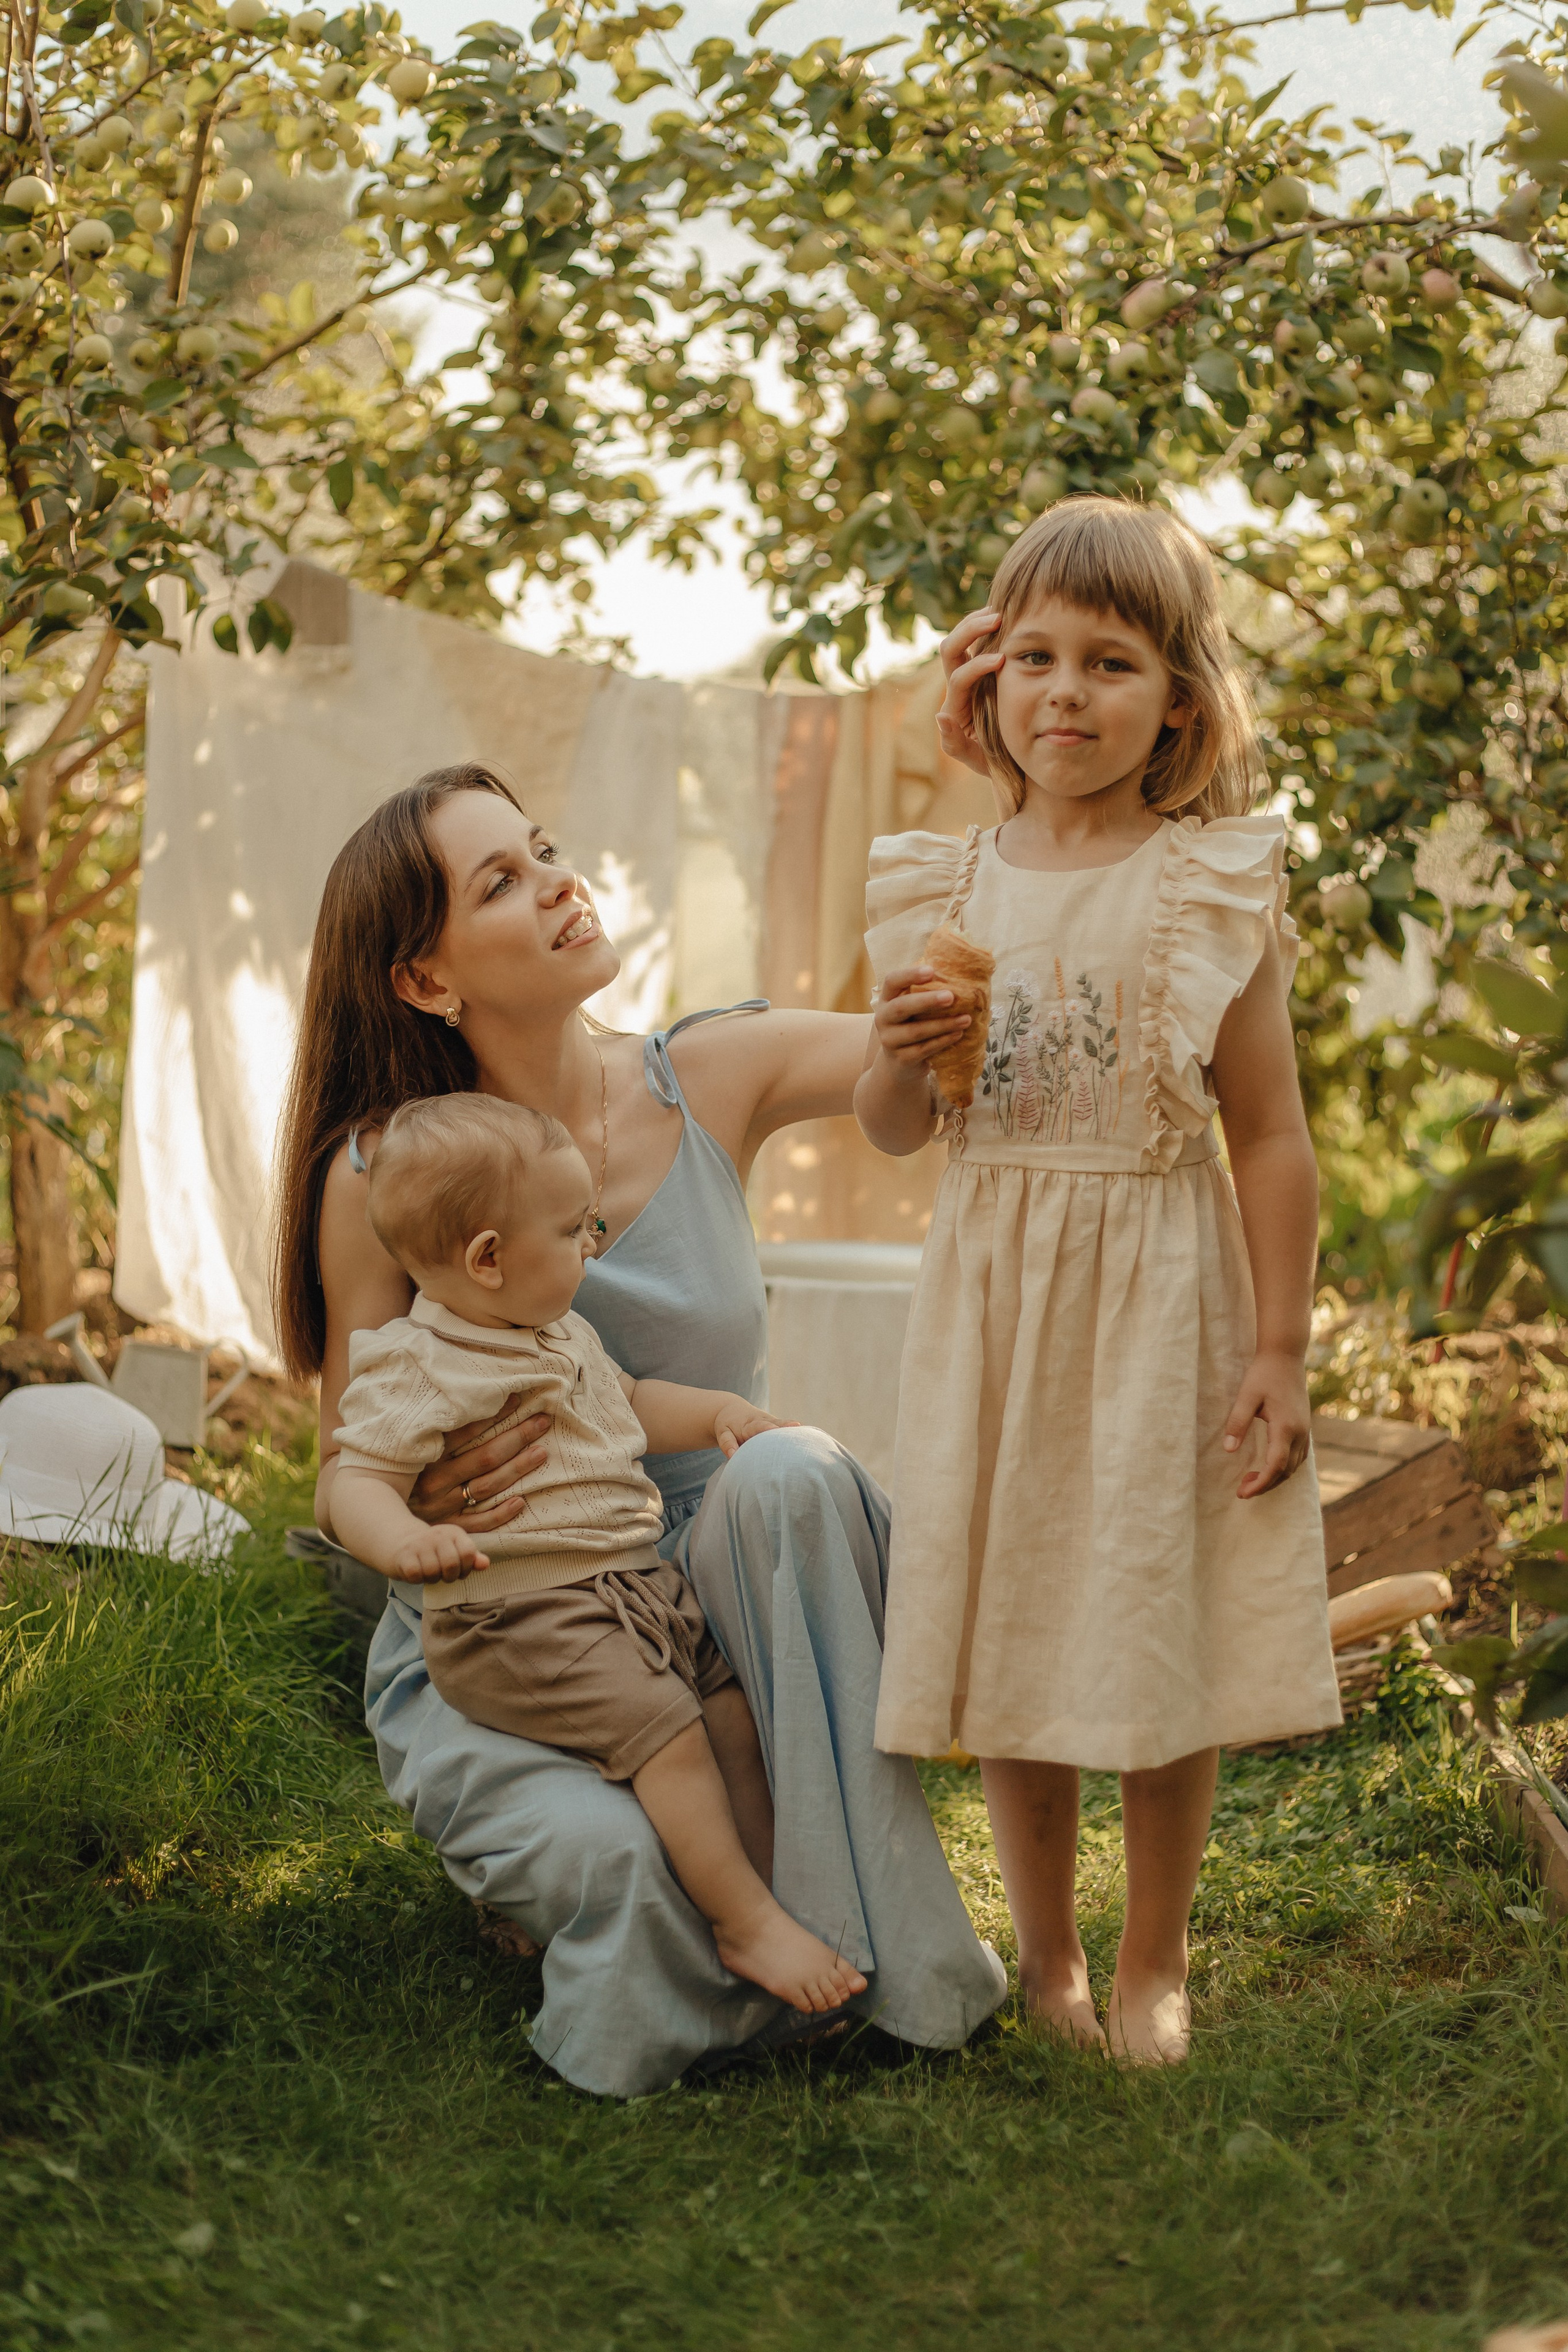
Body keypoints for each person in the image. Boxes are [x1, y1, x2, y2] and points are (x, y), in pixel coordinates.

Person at [271, 763, 1006, 2099]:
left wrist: (1011, 773)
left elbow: (931, 1063)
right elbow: (350, 1463)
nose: (558, 880)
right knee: (624, 1868)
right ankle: (689, 1900)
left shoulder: (708, 1070)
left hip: (724, 1592)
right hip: (517, 1621)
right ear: (427, 982)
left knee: (788, 1466)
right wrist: (427, 1526)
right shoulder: (383, 1179)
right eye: (499, 881)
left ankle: (880, 1968)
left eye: (542, 848)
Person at [854, 497, 1341, 2067]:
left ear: (1178, 701)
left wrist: (1277, 1346)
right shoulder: (943, 885)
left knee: (1144, 1616)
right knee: (1017, 1621)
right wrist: (898, 1056)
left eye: (1110, 663)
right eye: (1036, 659)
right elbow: (893, 1130)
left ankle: (1153, 1957)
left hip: (1155, 1293)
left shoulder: (1207, 885)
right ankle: (1046, 1951)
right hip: (996, 1292)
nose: (1065, 693)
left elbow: (1266, 1138)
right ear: (987, 680)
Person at [331, 1091, 867, 2017]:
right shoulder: (420, 1364)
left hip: (633, 1592)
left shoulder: (562, 1334)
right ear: (488, 1258)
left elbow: (632, 1401)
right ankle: (744, 1924)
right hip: (520, 1617)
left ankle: (775, 1898)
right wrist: (407, 1539)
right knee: (673, 1743)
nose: (593, 1246)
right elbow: (353, 1479)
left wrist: (717, 1414)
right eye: (577, 1229)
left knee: (729, 1717)